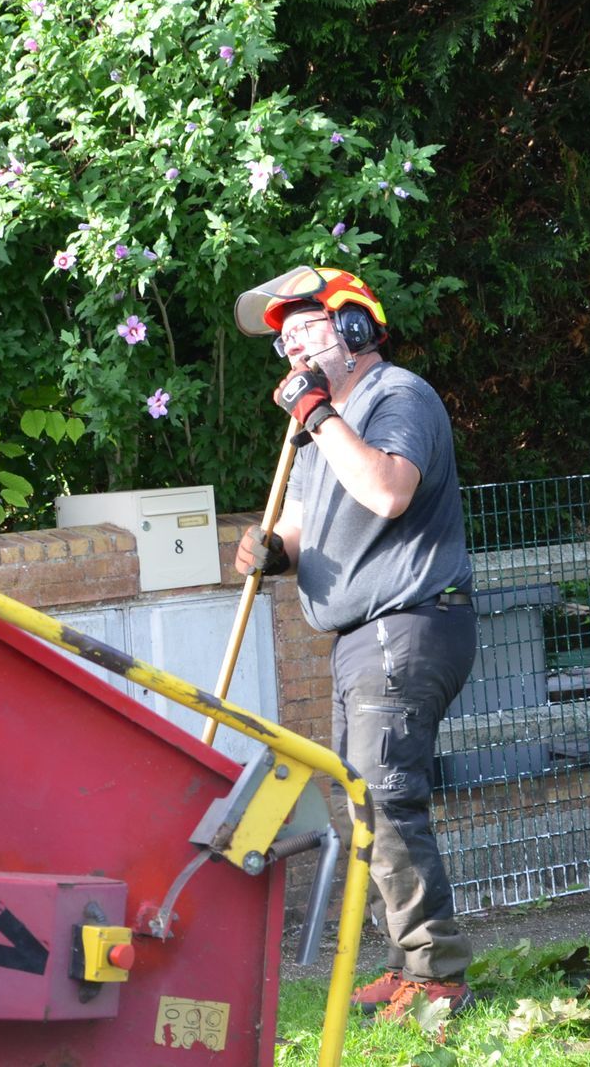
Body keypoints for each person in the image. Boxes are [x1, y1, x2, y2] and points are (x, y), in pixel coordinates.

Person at [231, 265, 478, 1020]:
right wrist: (271, 552)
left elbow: (388, 490)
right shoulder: (319, 428)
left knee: (387, 797)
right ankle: (407, 965)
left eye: (305, 329)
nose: (291, 348)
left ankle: (438, 976)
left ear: (355, 327)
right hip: (358, 637)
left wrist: (318, 415)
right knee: (367, 802)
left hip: (408, 623)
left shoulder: (397, 397)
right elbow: (300, 528)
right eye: (283, 339)